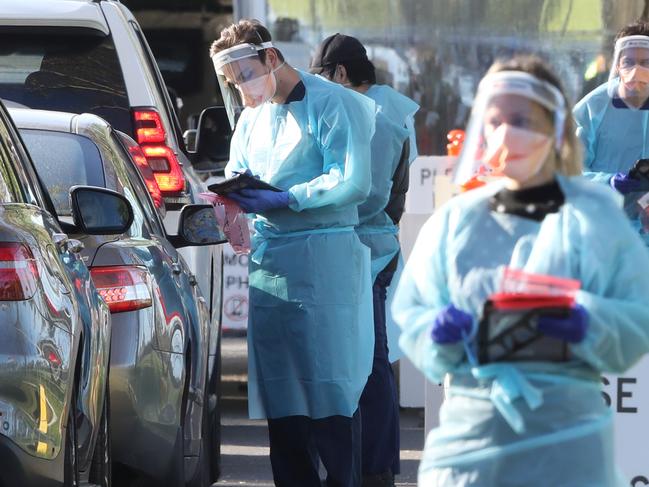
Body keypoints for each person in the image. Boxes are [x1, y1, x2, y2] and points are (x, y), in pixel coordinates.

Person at [392, 54, 649, 486]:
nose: (507, 132)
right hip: (473, 447)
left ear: (556, 128)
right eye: (496, 120)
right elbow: (413, 314)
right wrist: (436, 332)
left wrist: (587, 320)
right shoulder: (456, 222)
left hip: (567, 444)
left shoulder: (594, 218)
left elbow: (637, 316)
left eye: (523, 120)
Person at [210, 20, 376, 487]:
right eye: (232, 82)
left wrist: (289, 198)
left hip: (325, 259)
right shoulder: (251, 117)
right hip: (272, 263)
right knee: (283, 397)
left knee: (331, 390)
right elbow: (237, 168)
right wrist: (229, 198)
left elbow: (351, 179)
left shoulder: (334, 104)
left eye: (245, 75)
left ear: (271, 57)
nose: (242, 89)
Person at [309, 33, 419, 487]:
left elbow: (356, 192)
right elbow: (394, 195)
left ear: (340, 74)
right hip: (377, 245)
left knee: (364, 364)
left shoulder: (362, 113)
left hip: (354, 248)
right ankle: (372, 467)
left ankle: (371, 470)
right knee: (370, 360)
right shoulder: (394, 109)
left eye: (323, 79)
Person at [574, 20, 649, 245]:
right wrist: (609, 182)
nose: (637, 71)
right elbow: (566, 170)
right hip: (600, 229)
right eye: (629, 62)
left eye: (646, 62)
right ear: (617, 64)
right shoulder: (592, 108)